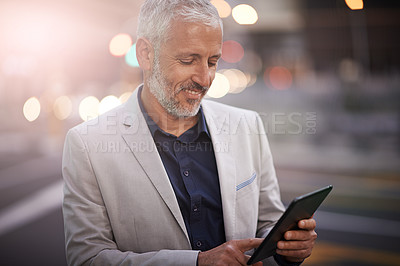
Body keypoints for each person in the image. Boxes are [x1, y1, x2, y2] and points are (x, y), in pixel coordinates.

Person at [62, 0, 317, 265]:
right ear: (146, 54)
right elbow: (87, 258)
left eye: (213, 61)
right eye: (188, 60)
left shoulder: (248, 126)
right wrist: (196, 262)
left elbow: (268, 222)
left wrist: (289, 245)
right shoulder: (86, 145)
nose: (205, 78)